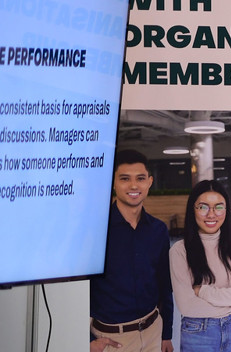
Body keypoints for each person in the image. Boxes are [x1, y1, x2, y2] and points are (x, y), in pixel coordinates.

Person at [91, 150, 174, 352]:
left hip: (153, 331)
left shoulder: (159, 230)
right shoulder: (95, 230)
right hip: (111, 339)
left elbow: (165, 285)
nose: (134, 186)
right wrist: (88, 340)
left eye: (140, 178)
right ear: (113, 182)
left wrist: (167, 334)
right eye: (125, 179)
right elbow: (78, 288)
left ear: (150, 182)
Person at [169, 180, 231, 352]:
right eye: (203, 207)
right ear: (193, 210)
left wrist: (204, 292)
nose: (212, 214)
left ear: (226, 210)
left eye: (219, 207)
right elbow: (187, 306)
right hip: (199, 333)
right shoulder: (180, 251)